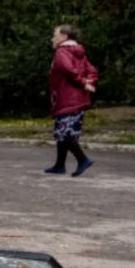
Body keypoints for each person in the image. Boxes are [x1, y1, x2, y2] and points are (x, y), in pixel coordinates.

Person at [44, 24, 98, 177]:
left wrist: (83, 82)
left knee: (64, 133)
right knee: (65, 131)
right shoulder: (79, 53)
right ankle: (59, 166)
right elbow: (92, 71)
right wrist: (88, 82)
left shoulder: (62, 52)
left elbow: (68, 69)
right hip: (78, 99)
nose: (52, 38)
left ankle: (83, 160)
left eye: (55, 35)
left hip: (67, 98)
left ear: (64, 37)